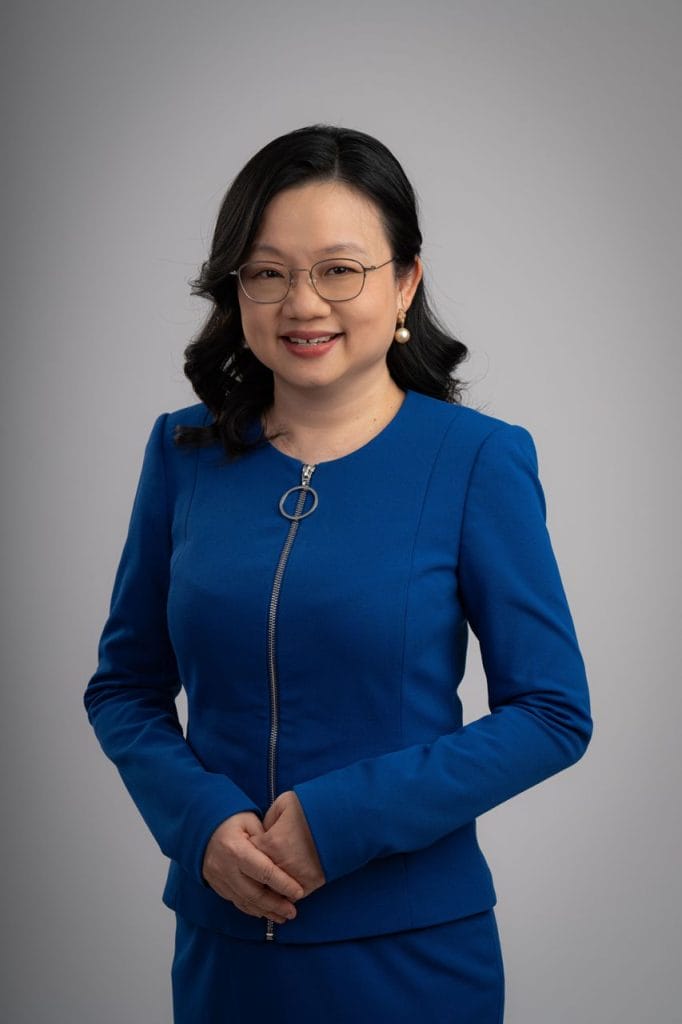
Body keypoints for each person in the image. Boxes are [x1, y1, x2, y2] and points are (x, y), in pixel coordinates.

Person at [84, 124, 593, 1023]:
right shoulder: (181, 452)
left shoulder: (476, 460)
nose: (303, 303)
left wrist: (339, 822)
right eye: (268, 272)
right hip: (225, 954)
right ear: (236, 287)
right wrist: (200, 824)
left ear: (405, 282)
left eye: (339, 270)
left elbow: (553, 713)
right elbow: (123, 688)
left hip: (411, 957)